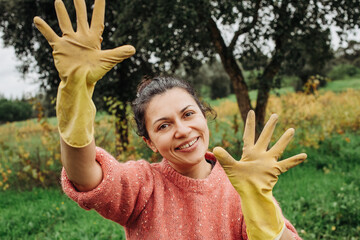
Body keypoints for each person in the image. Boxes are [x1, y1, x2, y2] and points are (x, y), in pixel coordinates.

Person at [33, 0, 307, 239]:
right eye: (163, 125)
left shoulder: (241, 183)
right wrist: (75, 92)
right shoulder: (143, 185)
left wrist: (259, 203)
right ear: (149, 142)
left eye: (188, 114)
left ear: (204, 115)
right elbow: (84, 176)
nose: (182, 130)